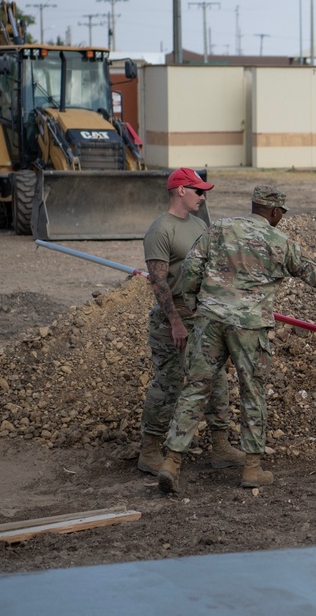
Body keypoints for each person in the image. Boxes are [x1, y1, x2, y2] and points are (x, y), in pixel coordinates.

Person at [158, 185, 316, 493]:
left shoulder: (220, 227)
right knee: (252, 392)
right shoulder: (279, 242)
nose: (281, 219)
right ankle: (252, 469)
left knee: (195, 388)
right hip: (249, 326)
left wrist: (196, 305)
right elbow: (315, 274)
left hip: (210, 321)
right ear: (274, 212)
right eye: (280, 214)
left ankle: (171, 462)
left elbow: (191, 269)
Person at [137, 167, 244, 476]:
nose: (203, 195)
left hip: (204, 317)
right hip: (175, 321)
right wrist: (175, 322)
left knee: (217, 380)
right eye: (198, 191)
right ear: (180, 191)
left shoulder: (200, 224)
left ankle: (220, 446)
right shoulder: (160, 230)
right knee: (169, 383)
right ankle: (150, 450)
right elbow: (158, 282)